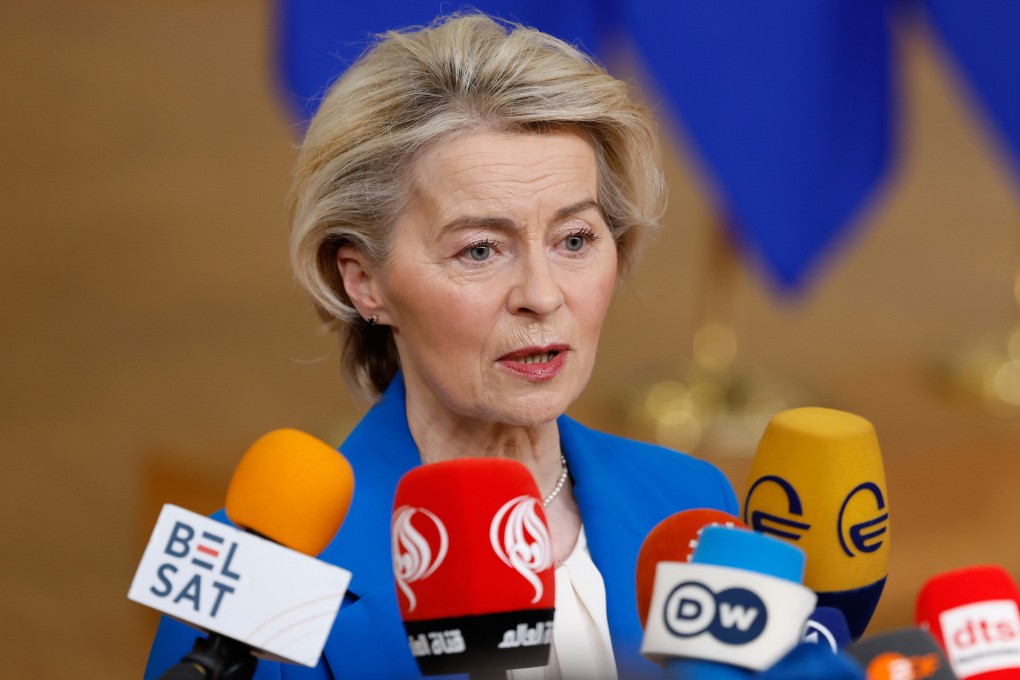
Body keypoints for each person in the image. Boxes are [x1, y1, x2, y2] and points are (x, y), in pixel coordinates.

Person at [144, 12, 737, 680]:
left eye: (574, 240)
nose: (541, 295)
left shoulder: (689, 502)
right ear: (364, 281)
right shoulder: (252, 571)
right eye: (480, 249)